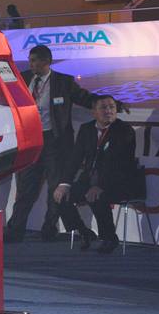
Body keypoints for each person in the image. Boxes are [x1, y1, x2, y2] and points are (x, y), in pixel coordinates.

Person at [5, 45, 126, 243]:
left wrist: (114, 104)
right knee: (26, 189)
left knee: (55, 188)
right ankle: (14, 230)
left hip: (55, 142)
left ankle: (49, 229)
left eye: (34, 60)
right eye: (30, 60)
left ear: (46, 61)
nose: (30, 64)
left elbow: (86, 98)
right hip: (30, 141)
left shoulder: (63, 81)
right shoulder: (23, 78)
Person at [54, 95, 138, 253]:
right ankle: (84, 232)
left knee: (96, 196)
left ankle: (109, 238)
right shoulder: (86, 129)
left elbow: (120, 163)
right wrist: (64, 183)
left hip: (117, 181)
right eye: (104, 108)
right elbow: (75, 159)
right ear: (94, 112)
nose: (109, 111)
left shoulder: (124, 130)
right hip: (89, 180)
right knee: (60, 196)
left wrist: (100, 185)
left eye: (112, 107)